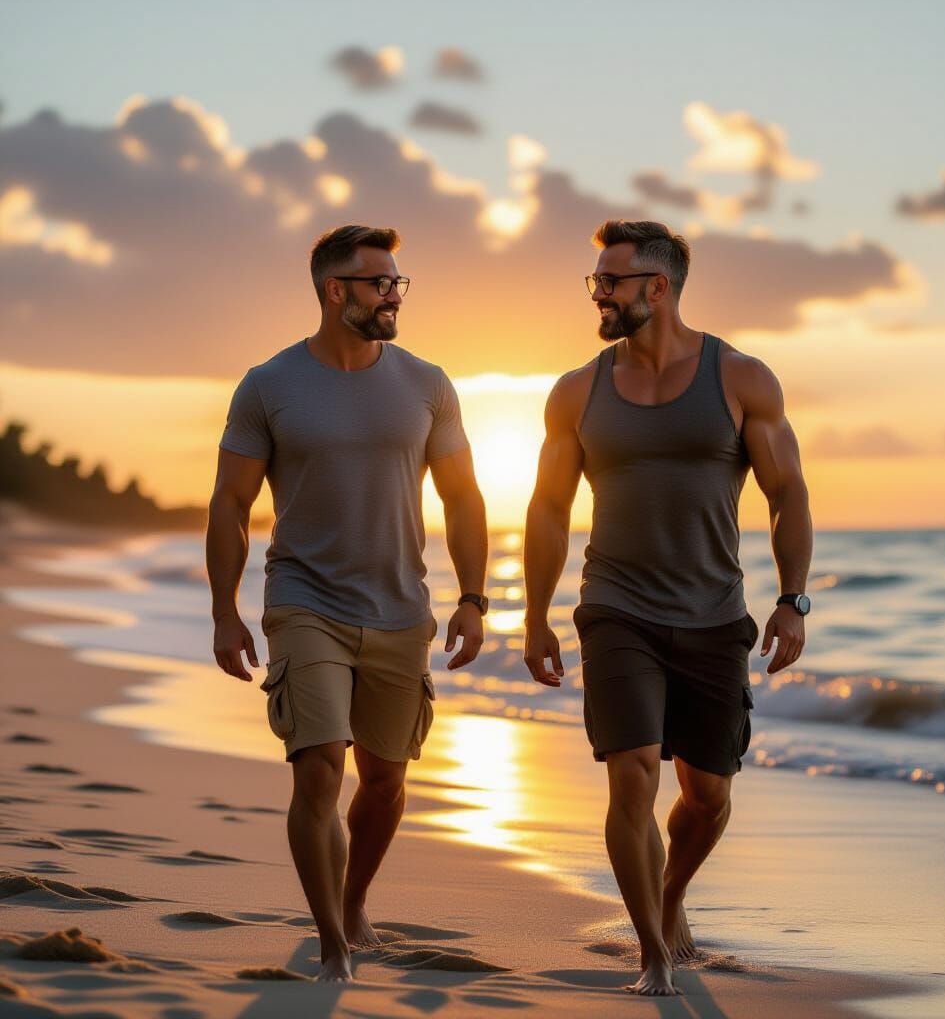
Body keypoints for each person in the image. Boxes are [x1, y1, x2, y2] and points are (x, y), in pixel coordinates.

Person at [523, 220, 812, 996]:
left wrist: (792, 600)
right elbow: (549, 509)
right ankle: (652, 950)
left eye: (610, 281)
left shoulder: (742, 378)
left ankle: (671, 894)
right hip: (615, 608)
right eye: (596, 280)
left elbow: (787, 494)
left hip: (715, 614)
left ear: (659, 287)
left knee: (708, 795)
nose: (599, 293)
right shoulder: (577, 390)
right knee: (632, 774)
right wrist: (536, 615)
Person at [206, 224, 488, 982]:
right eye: (380, 283)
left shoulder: (428, 383)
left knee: (388, 778)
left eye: (399, 281)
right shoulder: (269, 385)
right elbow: (231, 502)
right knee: (320, 766)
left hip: (401, 606)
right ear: (336, 292)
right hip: (305, 600)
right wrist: (224, 610)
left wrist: (473, 598)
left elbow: (462, 499)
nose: (395, 295)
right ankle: (332, 942)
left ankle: (354, 899)